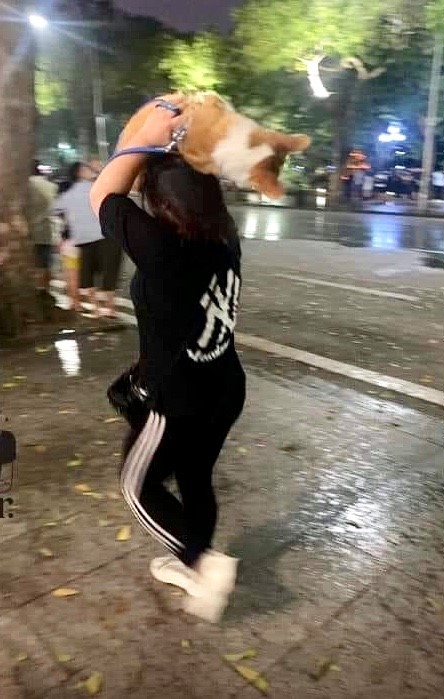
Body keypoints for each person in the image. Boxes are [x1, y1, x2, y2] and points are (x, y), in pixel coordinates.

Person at [90, 104, 246, 623]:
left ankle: (203, 563)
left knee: (138, 486)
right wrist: (171, 141)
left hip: (178, 402)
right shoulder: (225, 233)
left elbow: (102, 195)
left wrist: (140, 142)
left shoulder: (160, 245)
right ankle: (195, 566)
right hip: (224, 385)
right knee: (196, 476)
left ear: (160, 202)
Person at [56, 161, 122, 317]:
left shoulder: (69, 192)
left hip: (81, 238)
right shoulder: (93, 188)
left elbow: (59, 211)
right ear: (80, 172)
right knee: (102, 272)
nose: (90, 171)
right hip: (92, 237)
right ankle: (104, 307)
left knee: (84, 273)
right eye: (87, 169)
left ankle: (93, 307)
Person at [25, 161, 58, 315]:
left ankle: (34, 292)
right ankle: (44, 290)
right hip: (46, 232)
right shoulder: (51, 186)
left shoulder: (23, 187)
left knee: (32, 265)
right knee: (46, 265)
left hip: (28, 233)